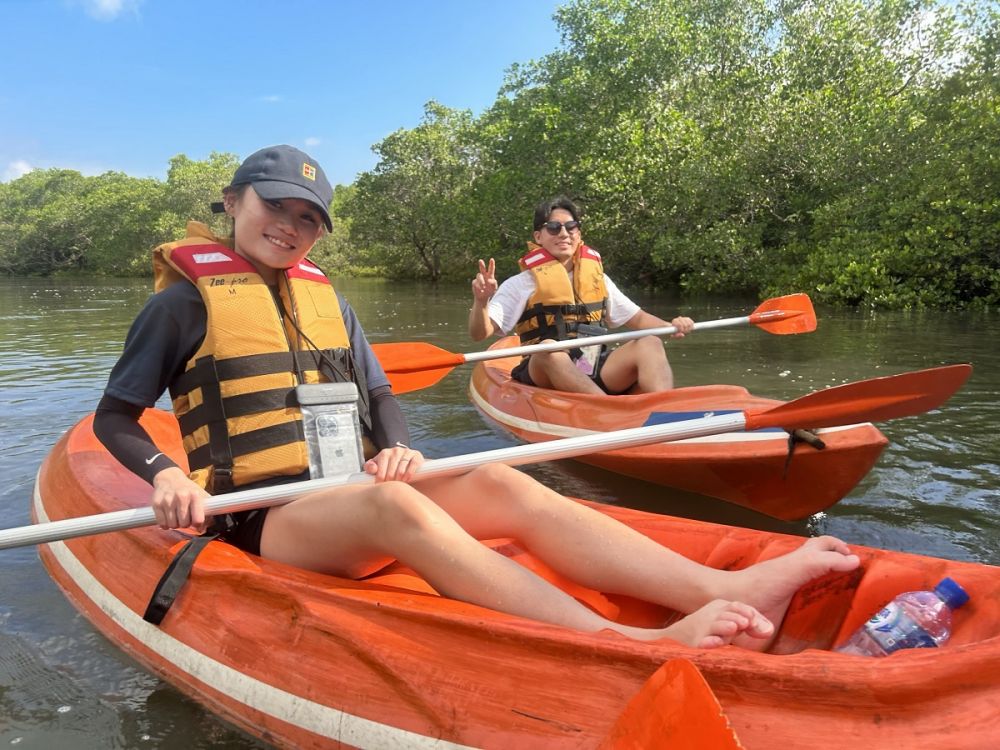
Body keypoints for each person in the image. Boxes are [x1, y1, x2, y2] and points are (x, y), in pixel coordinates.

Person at [94, 145, 860, 649]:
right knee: (396, 507)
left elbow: (381, 393)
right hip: (263, 517)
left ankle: (721, 585)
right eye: (275, 208)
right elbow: (115, 417)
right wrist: (165, 473)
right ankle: (629, 643)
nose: (290, 227)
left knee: (497, 477)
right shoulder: (183, 305)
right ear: (232, 202)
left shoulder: (330, 303)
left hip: (349, 486)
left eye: (308, 218)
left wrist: (396, 442)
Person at [469, 196, 695, 395]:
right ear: (538, 236)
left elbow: (638, 320)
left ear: (579, 233)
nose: (564, 233)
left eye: (571, 226)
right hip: (544, 370)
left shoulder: (598, 278)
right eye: (554, 227)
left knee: (650, 341)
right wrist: (481, 301)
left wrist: (672, 325)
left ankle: (663, 408)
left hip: (590, 364)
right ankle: (603, 408)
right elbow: (481, 333)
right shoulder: (520, 284)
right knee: (550, 349)